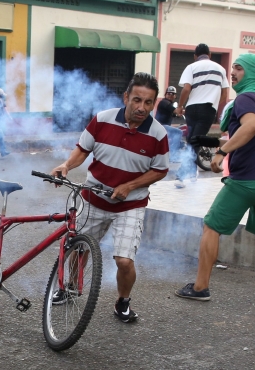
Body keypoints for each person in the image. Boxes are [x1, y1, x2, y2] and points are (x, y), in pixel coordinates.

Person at [176, 54, 255, 301]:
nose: (232, 72)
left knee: (212, 226)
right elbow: (251, 135)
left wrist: (222, 152)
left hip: (248, 180)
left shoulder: (245, 98)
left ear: (253, 72)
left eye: (238, 68)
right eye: (232, 67)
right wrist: (214, 142)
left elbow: (250, 127)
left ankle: (200, 287)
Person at [52, 72, 170, 323]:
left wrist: (130, 185)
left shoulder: (158, 134)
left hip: (130, 204)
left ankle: (122, 302)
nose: (141, 108)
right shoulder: (103, 119)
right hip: (94, 196)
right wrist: (66, 166)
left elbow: (160, 170)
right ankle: (69, 287)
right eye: (137, 100)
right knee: (79, 247)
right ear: (126, 97)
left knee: (124, 261)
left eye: (148, 103)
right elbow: (82, 150)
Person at [179, 43, 229, 173]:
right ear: (210, 55)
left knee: (192, 139)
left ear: (195, 56)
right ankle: (186, 174)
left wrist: (180, 106)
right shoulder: (221, 69)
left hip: (191, 109)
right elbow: (225, 93)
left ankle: (185, 173)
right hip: (208, 109)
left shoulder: (191, 67)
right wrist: (215, 103)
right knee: (196, 140)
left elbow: (186, 88)